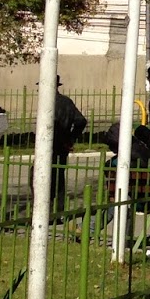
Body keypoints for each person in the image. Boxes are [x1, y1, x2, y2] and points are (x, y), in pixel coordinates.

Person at [49, 77, 88, 208]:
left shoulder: (48, 102)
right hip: (63, 146)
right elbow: (81, 121)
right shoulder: (67, 102)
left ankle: (46, 210)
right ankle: (59, 210)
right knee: (58, 177)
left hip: (51, 145)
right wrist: (70, 138)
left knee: (44, 178)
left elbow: (80, 121)